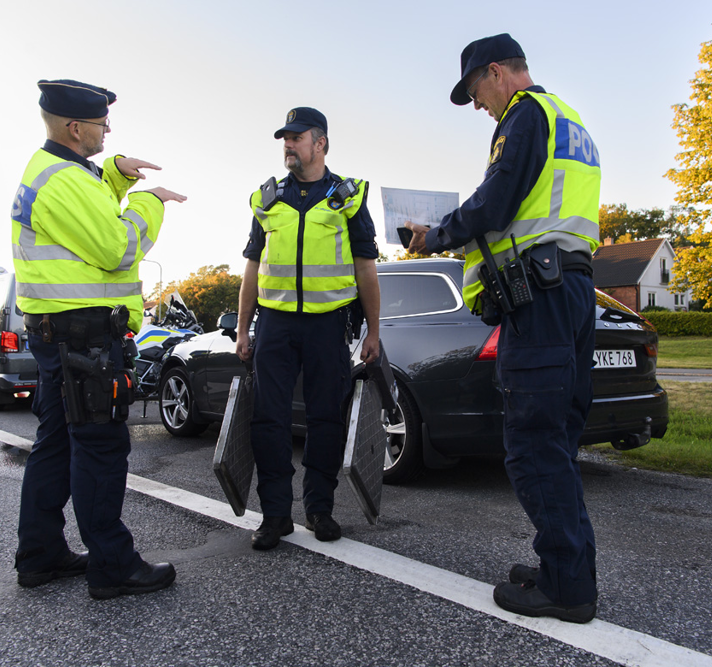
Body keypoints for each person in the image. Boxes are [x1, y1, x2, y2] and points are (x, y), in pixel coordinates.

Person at [404, 34, 601, 623]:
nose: (480, 108)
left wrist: (433, 236)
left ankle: (567, 589)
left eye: (476, 93)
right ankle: (565, 567)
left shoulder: (524, 116)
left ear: (497, 73)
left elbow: (491, 208)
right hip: (570, 289)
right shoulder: (569, 120)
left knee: (532, 445)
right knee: (556, 443)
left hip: (539, 299)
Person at [11, 79, 187, 600]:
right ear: (74, 127)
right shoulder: (63, 180)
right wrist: (150, 203)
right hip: (82, 337)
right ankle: (112, 565)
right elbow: (114, 245)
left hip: (60, 336)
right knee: (101, 447)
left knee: (58, 443)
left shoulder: (58, 173)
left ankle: (40, 554)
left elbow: (85, 214)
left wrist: (114, 173)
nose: (108, 127)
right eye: (101, 121)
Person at [236, 107, 381, 551]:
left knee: (325, 420)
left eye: (297, 137)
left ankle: (320, 509)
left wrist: (373, 331)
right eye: (285, 138)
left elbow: (365, 269)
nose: (288, 144)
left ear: (321, 144)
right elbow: (252, 269)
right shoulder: (267, 200)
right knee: (269, 420)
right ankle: (275, 514)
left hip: (327, 323)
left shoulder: (347, 197)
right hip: (275, 324)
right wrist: (242, 329)